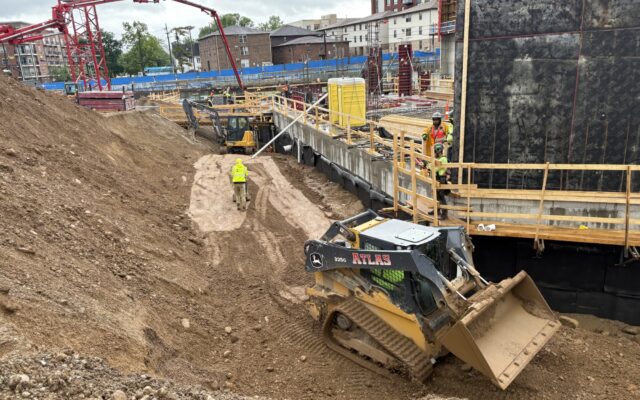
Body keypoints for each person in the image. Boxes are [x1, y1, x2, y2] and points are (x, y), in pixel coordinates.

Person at [433, 143, 450, 219]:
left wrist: (429, 166)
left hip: (441, 179)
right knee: (437, 196)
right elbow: (432, 166)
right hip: (438, 178)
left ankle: (444, 214)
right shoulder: (439, 159)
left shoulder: (443, 159)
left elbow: (436, 168)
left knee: (441, 196)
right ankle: (436, 210)